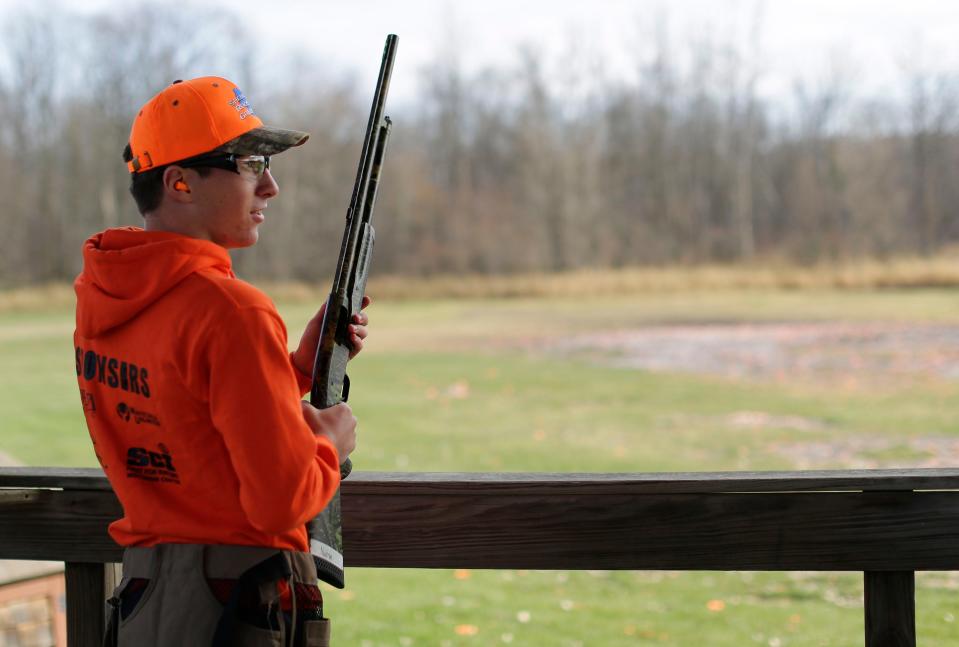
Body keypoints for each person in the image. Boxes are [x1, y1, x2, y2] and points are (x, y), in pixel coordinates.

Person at [73, 76, 367, 647]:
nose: (271, 187)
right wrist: (331, 442)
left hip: (143, 598)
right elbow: (280, 501)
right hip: (236, 605)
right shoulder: (234, 311)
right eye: (252, 164)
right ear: (180, 182)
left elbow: (184, 410)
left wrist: (296, 368)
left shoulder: (103, 296)